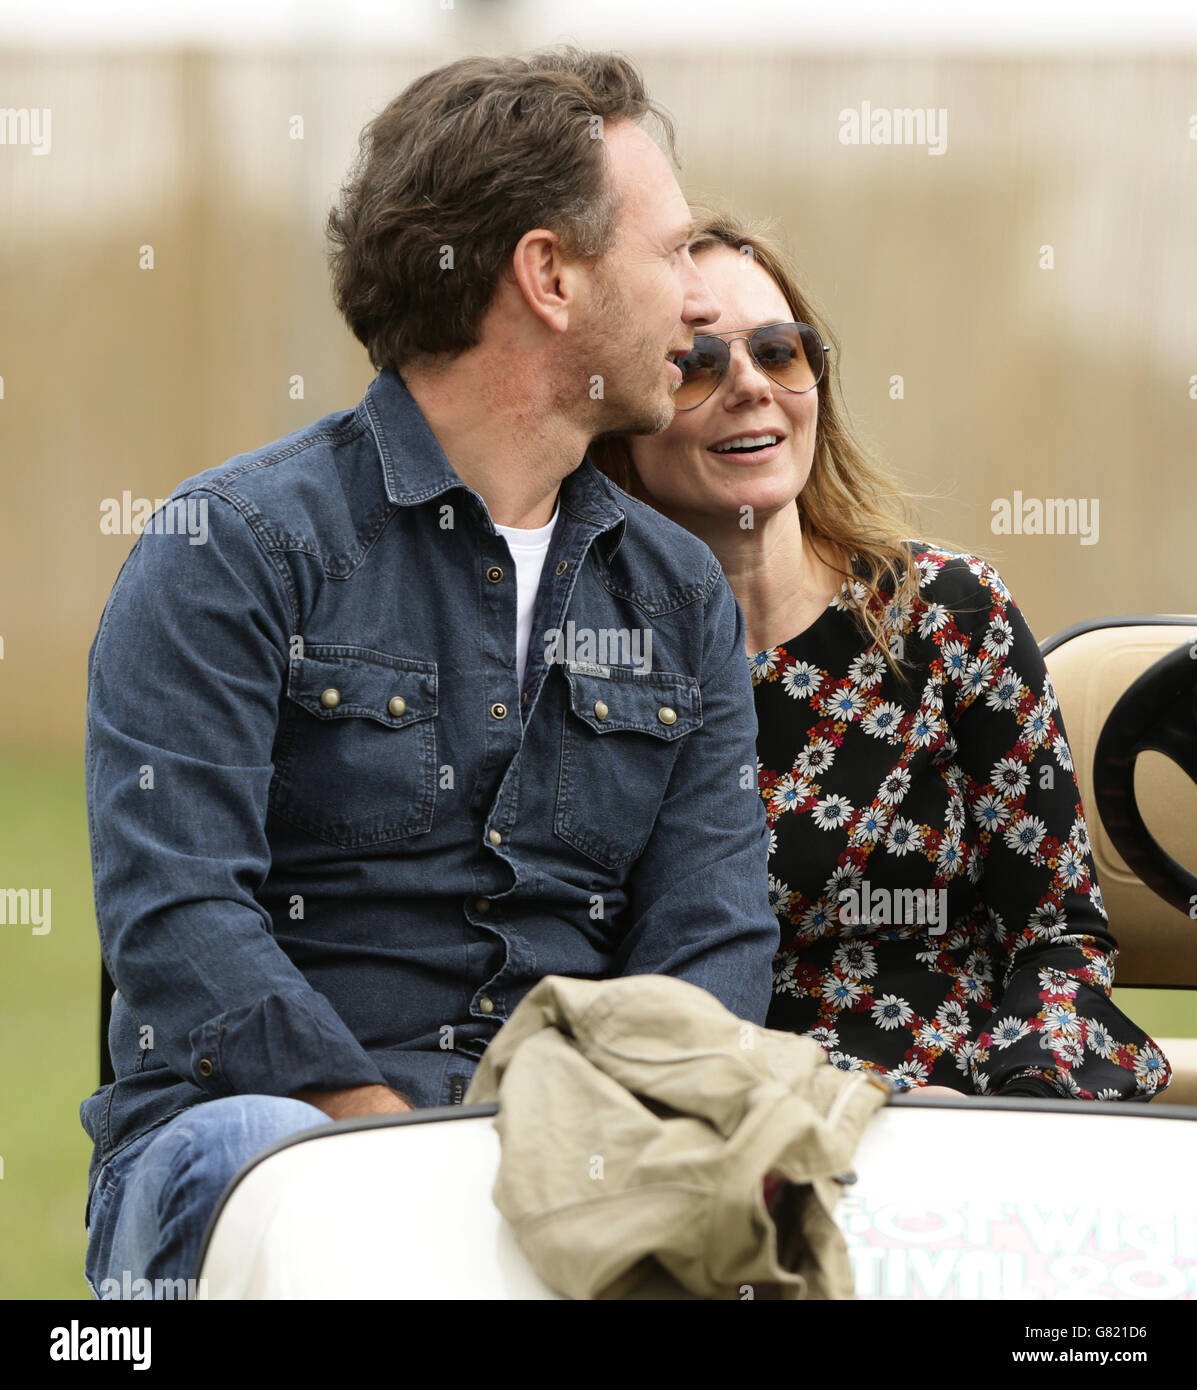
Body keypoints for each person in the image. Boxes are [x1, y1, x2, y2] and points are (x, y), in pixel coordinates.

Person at [81, 52, 781, 1296]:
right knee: (281, 1165)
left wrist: (596, 1162)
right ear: (549, 275)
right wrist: (394, 1147)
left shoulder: (677, 597)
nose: (697, 303)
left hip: (573, 1158)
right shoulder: (233, 549)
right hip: (271, 1144)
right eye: (671, 254)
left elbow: (710, 945)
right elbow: (183, 926)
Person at [589, 208, 1172, 1103]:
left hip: (964, 1117)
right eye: (697, 365)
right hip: (715, 1130)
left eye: (779, 352)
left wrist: (1008, 1107)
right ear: (622, 414)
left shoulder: (950, 615)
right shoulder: (586, 657)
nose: (750, 387)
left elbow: (1057, 940)